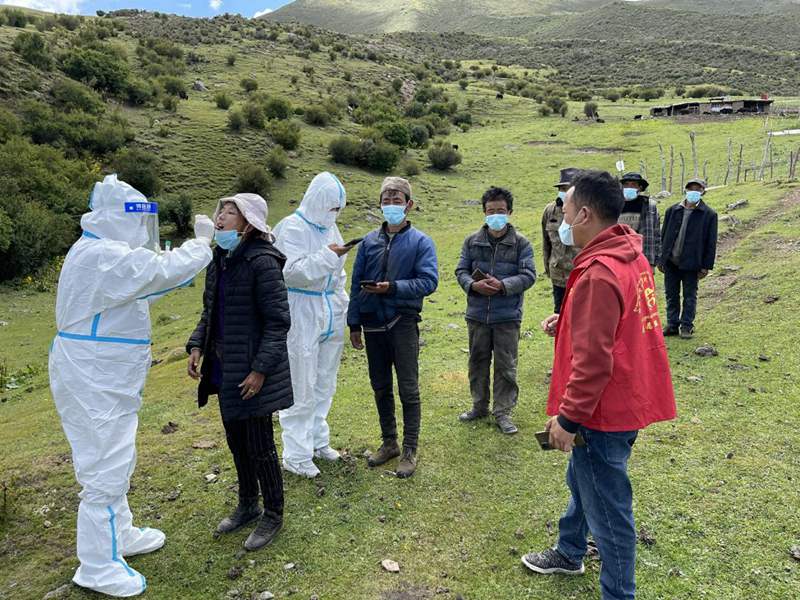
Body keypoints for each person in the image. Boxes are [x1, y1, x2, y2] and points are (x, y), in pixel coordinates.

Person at [49, 174, 214, 597]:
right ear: (116, 217)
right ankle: (97, 565)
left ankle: (119, 534)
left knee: (117, 456)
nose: (142, 229)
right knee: (104, 465)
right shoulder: (100, 255)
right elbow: (157, 270)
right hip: (94, 375)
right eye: (137, 220)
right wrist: (200, 245)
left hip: (104, 374)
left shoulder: (103, 253)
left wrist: (176, 268)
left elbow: (142, 288)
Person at [522, 171, 677, 600]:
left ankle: (619, 593)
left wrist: (569, 419)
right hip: (628, 399)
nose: (562, 221)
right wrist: (571, 318)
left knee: (609, 511)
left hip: (602, 413)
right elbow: (620, 322)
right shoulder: (629, 254)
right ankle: (570, 551)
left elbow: (594, 363)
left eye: (567, 212)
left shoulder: (598, 273)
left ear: (585, 214)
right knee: (583, 480)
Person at [186, 193, 292, 552]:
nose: (220, 218)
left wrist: (260, 370)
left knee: (260, 446)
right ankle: (248, 504)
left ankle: (273, 513)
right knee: (237, 442)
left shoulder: (263, 262)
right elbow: (210, 312)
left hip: (252, 371)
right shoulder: (220, 259)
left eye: (230, 213)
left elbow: (278, 323)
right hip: (224, 367)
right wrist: (196, 345)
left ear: (248, 222)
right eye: (221, 212)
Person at [348, 176, 438, 479]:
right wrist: (353, 322)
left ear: (408, 205)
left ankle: (410, 449)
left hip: (403, 322)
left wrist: (393, 287)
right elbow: (355, 283)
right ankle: (389, 443)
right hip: (372, 323)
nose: (390, 205)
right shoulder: (368, 242)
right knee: (380, 386)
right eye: (386, 200)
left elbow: (429, 281)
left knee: (408, 388)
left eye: (396, 200)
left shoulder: (421, 242)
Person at [272, 172, 351, 478]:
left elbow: (338, 272)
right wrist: (328, 257)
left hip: (330, 308)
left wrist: (342, 302)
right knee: (300, 383)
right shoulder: (291, 227)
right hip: (301, 309)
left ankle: (318, 440)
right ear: (317, 201)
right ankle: (296, 454)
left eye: (338, 209)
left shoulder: (331, 228)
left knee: (324, 381)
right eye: (331, 207)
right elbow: (290, 272)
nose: (334, 213)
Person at [454, 186, 536, 434]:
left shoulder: (521, 243)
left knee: (506, 365)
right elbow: (461, 270)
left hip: (507, 316)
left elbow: (529, 275)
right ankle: (479, 406)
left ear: (509, 212)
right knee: (477, 362)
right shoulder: (472, 242)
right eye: (491, 211)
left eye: (500, 210)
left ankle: (503, 412)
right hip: (477, 314)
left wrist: (503, 285)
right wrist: (472, 285)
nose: (496, 215)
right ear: (484, 212)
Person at [658, 178, 718, 339]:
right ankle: (672, 324)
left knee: (690, 296)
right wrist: (661, 259)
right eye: (691, 189)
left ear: (703, 192)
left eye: (698, 189)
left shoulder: (709, 214)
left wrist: (706, 266)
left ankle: (686, 325)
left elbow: (711, 242)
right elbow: (664, 236)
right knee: (671, 294)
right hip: (671, 261)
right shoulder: (672, 210)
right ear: (685, 190)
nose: (694, 192)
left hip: (692, 263)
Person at [542, 168, 581, 313]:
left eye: (569, 188)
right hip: (558, 274)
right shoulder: (550, 211)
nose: (565, 192)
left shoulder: (586, 211)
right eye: (563, 189)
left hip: (580, 274)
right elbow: (546, 243)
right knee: (559, 314)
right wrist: (548, 268)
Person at [619, 172, 661, 267]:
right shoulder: (615, 205)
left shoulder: (650, 206)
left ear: (640, 188)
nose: (629, 187)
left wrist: (655, 259)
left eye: (633, 185)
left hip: (643, 255)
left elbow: (656, 233)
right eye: (626, 185)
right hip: (620, 255)